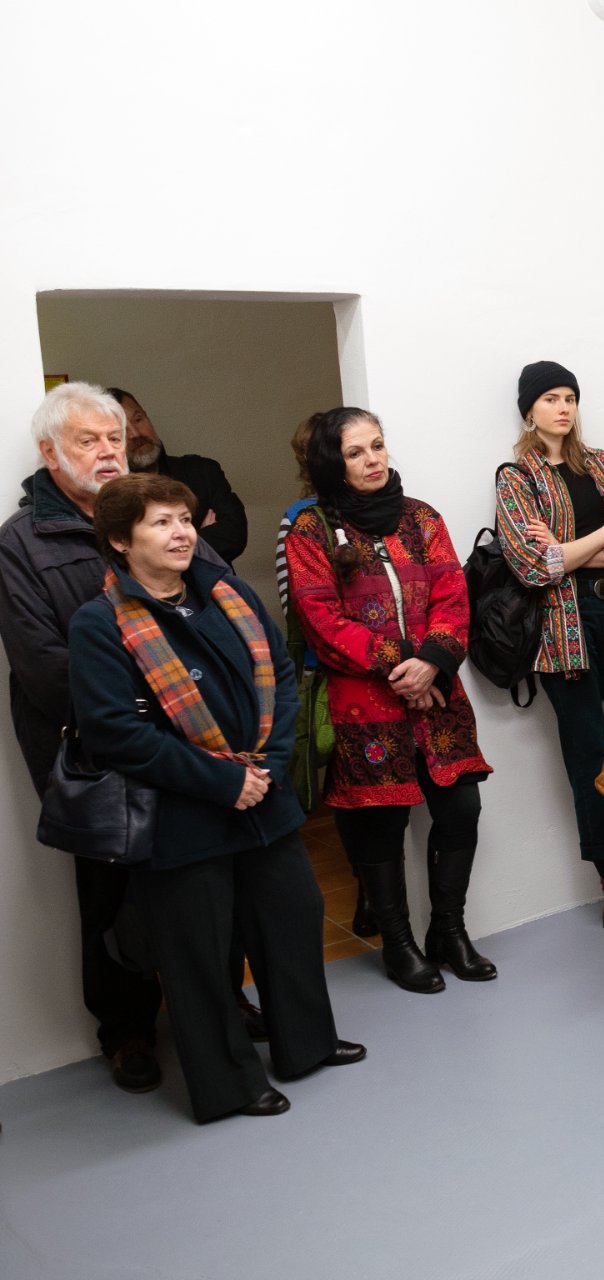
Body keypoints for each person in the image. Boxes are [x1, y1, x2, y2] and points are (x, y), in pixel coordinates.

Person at [67, 473, 362, 1122]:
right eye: (161, 523)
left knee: (292, 919)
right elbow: (117, 734)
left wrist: (271, 766)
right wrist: (226, 781)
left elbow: (280, 677)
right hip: (183, 816)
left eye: (184, 519)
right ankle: (229, 1085)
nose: (181, 533)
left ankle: (306, 1044)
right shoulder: (99, 624)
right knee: (199, 956)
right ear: (120, 541)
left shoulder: (229, 593)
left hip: (266, 801)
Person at [285, 408, 495, 991]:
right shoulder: (311, 532)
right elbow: (321, 619)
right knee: (380, 824)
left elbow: (453, 594)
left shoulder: (422, 517)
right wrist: (402, 664)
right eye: (355, 452)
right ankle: (399, 946)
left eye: (377, 446)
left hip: (438, 692)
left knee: (461, 811)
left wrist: (431, 664)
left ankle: (448, 932)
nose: (373, 459)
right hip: (366, 703)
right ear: (332, 462)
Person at [0, 382, 166, 1093]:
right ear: (50, 452)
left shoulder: (153, 515)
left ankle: (221, 999)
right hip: (90, 756)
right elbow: (43, 666)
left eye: (115, 439)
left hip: (181, 741)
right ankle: (127, 1032)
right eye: (88, 441)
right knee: (108, 896)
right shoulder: (20, 542)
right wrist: (146, 705)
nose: (107, 452)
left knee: (201, 875)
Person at [493, 361, 604, 942]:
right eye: (550, 398)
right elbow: (534, 566)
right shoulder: (516, 478)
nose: (563, 408)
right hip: (563, 630)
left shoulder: (602, 463)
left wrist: (573, 547)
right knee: (588, 758)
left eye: (570, 397)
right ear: (529, 410)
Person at [275, 415, 375, 939]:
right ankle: (367, 890)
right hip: (330, 671)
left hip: (394, 669)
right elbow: (298, 604)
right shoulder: (301, 522)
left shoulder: (394, 514)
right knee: (348, 785)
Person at [109, 388, 249, 564]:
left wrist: (159, 552)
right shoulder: (112, 500)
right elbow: (125, 563)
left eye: (138, 419)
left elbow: (234, 534)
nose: (136, 434)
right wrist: (200, 540)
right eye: (121, 430)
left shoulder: (202, 471)